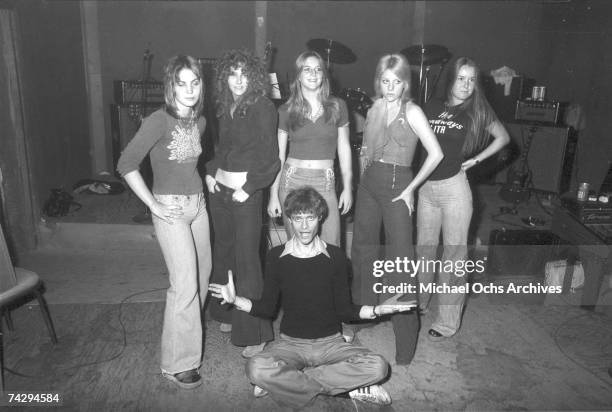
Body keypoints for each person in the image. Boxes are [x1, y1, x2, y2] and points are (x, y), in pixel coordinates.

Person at [209, 187, 416, 409]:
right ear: (289, 220)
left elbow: (346, 311)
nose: (304, 226)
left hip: (331, 343)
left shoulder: (336, 257)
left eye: (310, 218)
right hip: (291, 343)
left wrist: (378, 310)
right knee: (255, 368)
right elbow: (267, 308)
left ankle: (286, 383)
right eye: (298, 219)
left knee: (378, 367)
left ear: (320, 218)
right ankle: (349, 388)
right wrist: (235, 300)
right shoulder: (276, 257)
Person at [117, 55, 210, 389]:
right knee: (184, 283)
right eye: (181, 83)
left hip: (198, 205)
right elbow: (126, 164)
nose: (189, 89)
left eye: (195, 82)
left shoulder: (199, 122)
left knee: (201, 278)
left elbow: (188, 163)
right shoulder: (158, 120)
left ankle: (182, 338)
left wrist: (206, 180)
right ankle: (178, 363)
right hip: (169, 208)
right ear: (171, 86)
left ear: (201, 84)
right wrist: (153, 204)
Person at [350, 53, 443, 365]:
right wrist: (361, 180)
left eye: (397, 82)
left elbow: (436, 154)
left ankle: (405, 345)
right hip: (369, 184)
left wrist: (411, 188)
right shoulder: (376, 107)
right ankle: (358, 317)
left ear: (406, 83)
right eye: (385, 81)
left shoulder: (412, 110)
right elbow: (366, 150)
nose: (390, 87)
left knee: (400, 260)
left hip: (397, 185)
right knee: (363, 249)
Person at [418, 56, 510, 341]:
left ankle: (446, 323)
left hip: (454, 189)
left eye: (472, 79)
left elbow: (504, 137)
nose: (467, 84)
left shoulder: (477, 109)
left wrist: (477, 159)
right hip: (426, 189)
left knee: (454, 257)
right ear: (451, 79)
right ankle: (419, 304)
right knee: (424, 251)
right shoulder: (431, 105)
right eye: (462, 78)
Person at [205, 49, 279, 358]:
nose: (237, 80)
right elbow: (222, 149)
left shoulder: (263, 106)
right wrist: (210, 173)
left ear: (254, 78)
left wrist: (249, 188)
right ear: (225, 78)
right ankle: (227, 313)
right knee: (224, 253)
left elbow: (271, 159)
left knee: (247, 259)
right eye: (232, 74)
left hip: (244, 195)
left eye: (243, 74)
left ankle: (256, 332)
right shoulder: (227, 107)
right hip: (220, 191)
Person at [267, 51, 352, 247]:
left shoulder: (338, 106)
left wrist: (348, 187)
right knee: (297, 249)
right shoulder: (285, 110)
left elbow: (345, 150)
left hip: (326, 182)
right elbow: (278, 156)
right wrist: (273, 196)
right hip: (291, 181)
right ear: (298, 75)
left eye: (318, 69)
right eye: (307, 69)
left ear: (324, 74)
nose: (313, 74)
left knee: (331, 249)